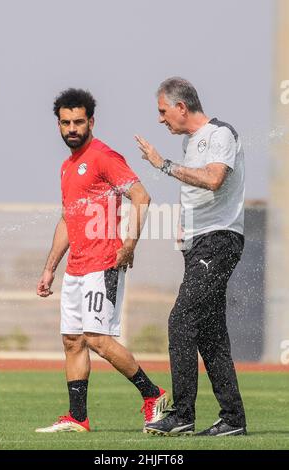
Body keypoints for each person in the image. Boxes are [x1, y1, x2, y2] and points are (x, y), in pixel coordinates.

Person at [35, 88, 169, 433]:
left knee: (96, 338)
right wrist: (50, 268)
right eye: (65, 122)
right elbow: (68, 219)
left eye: (78, 121)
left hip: (103, 263)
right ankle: (78, 417)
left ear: (91, 121)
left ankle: (154, 396)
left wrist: (130, 244)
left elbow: (141, 196)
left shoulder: (104, 156)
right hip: (76, 268)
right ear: (59, 125)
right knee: (72, 340)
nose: (72, 128)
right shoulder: (67, 167)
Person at [135, 77, 247, 437]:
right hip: (199, 245)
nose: (160, 119)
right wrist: (185, 229)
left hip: (219, 242)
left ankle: (182, 414)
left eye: (162, 111)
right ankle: (232, 418)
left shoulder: (220, 134)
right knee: (210, 333)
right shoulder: (190, 141)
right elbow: (199, 192)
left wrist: (161, 164)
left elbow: (214, 180)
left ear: (181, 107)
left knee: (180, 321)